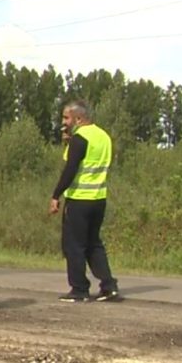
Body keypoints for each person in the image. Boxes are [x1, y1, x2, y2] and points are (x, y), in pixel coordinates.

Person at [50, 100, 120, 302]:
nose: (64, 122)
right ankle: (109, 285)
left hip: (79, 199)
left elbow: (70, 170)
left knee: (74, 246)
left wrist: (56, 195)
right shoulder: (103, 136)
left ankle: (79, 289)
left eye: (66, 118)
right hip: (99, 199)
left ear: (78, 118)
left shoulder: (80, 139)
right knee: (93, 243)